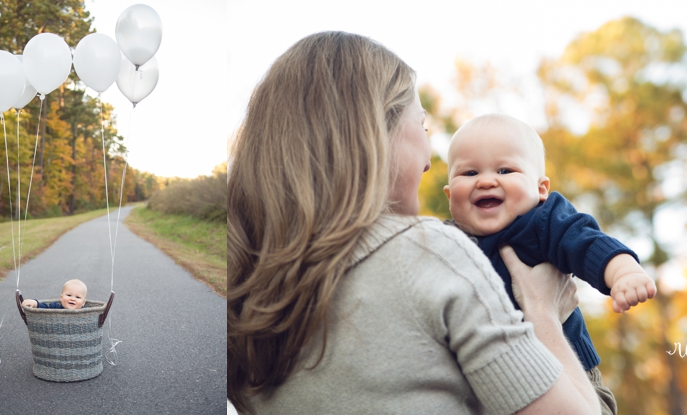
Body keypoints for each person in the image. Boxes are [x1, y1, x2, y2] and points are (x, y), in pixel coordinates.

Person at [227, 31, 602, 414]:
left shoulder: (244, 289)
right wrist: (542, 312)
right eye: (423, 127)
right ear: (375, 132)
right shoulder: (430, 253)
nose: (428, 157)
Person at [442, 114, 659, 414]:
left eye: (505, 170)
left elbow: (587, 242)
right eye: (469, 173)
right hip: (491, 379)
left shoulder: (543, 222)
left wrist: (623, 272)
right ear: (450, 195)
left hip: (568, 372)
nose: (486, 180)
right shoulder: (446, 242)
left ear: (541, 189)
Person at [21, 279, 88, 310]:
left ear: (83, 302)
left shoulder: (85, 313)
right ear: (61, 298)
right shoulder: (56, 308)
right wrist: (36, 303)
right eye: (69, 295)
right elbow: (45, 308)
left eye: (78, 297)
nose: (72, 299)